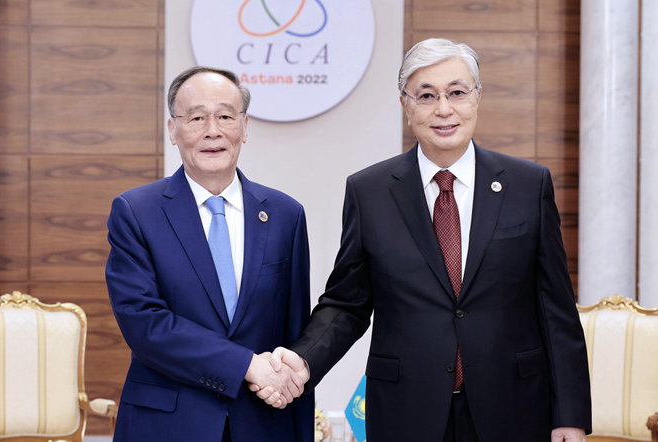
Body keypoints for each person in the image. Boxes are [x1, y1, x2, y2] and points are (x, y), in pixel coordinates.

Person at [253, 38, 592, 442]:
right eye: (426, 95)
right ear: (405, 105)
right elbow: (347, 302)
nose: (443, 109)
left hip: (514, 405)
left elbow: (556, 310)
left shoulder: (527, 185)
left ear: (478, 97)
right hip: (406, 408)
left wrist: (569, 414)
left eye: (457, 92)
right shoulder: (370, 191)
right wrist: (302, 362)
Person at [105, 66, 312, 442]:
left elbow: (294, 332)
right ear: (173, 130)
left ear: (244, 127)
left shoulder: (286, 214)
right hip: (167, 425)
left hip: (264, 422)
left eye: (225, 116)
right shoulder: (136, 212)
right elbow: (145, 324)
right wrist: (247, 365)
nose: (212, 131)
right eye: (196, 117)